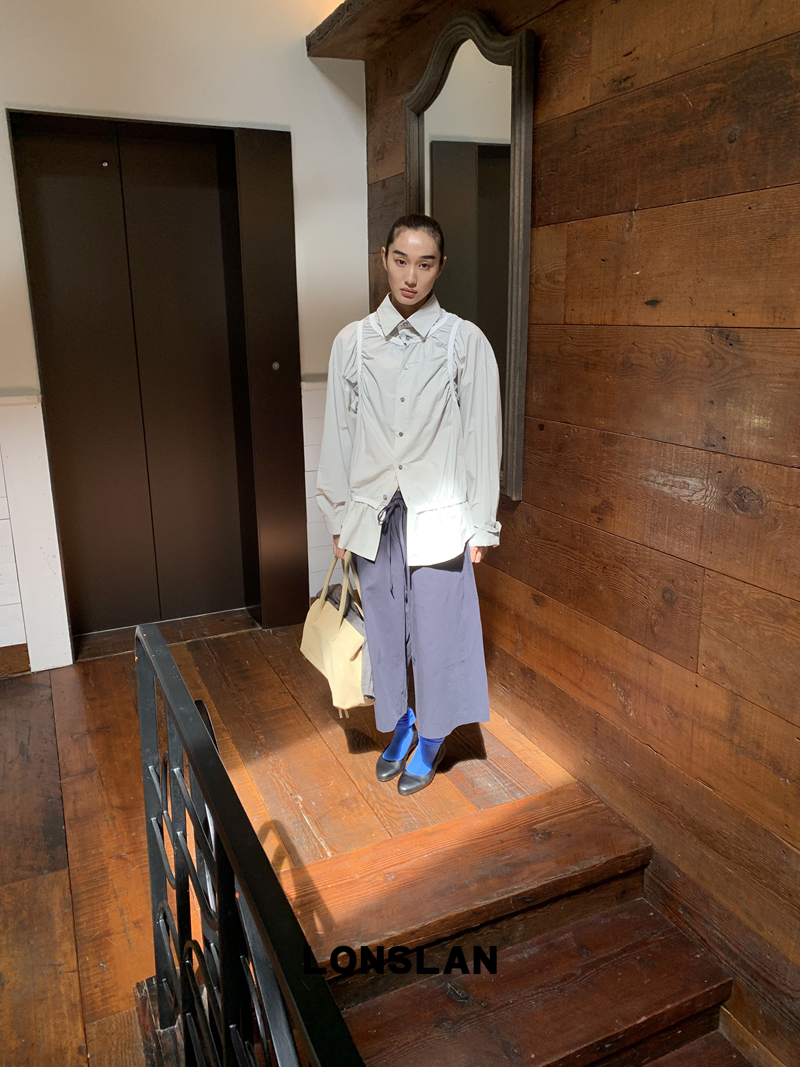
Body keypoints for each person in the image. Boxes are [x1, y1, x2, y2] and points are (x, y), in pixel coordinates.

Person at [316, 213, 502, 795]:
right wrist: (338, 514)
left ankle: (434, 735)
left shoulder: (463, 341)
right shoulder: (352, 342)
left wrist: (482, 525)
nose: (411, 276)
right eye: (401, 261)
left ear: (441, 267)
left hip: (439, 515)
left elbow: (481, 434)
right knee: (384, 626)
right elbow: (339, 433)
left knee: (439, 629)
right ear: (384, 258)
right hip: (373, 512)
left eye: (425, 264)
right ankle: (400, 722)